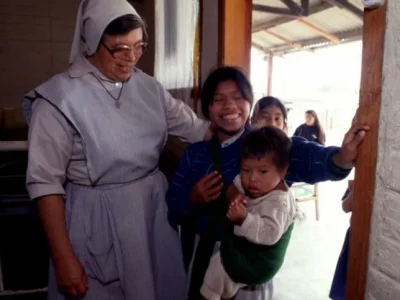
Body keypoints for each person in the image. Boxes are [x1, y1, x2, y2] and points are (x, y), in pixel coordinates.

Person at [22, 0, 211, 299]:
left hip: (151, 213)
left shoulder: (149, 89)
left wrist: (253, 135)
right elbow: (45, 184)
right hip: (96, 218)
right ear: (93, 41)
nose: (131, 58)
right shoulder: (58, 100)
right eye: (120, 48)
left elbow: (198, 130)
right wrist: (64, 258)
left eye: (138, 46)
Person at [166, 66, 369, 300]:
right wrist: (192, 199)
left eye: (238, 97)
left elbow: (305, 155)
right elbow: (172, 208)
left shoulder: (267, 145)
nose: (229, 105)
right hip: (203, 254)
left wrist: (341, 157)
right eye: (218, 99)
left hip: (252, 262)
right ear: (207, 108)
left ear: (249, 104)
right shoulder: (195, 154)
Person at [200, 126, 300, 300]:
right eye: (246, 170)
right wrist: (235, 195)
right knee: (218, 268)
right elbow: (235, 184)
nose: (252, 178)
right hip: (245, 249)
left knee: (218, 269)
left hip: (260, 263)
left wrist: (244, 219)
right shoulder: (255, 183)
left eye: (262, 171)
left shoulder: (279, 203)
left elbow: (269, 234)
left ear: (283, 171)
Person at [329, 181, 353, 300]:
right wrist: (354, 193)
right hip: (353, 235)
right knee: (345, 275)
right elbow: (345, 207)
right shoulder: (360, 178)